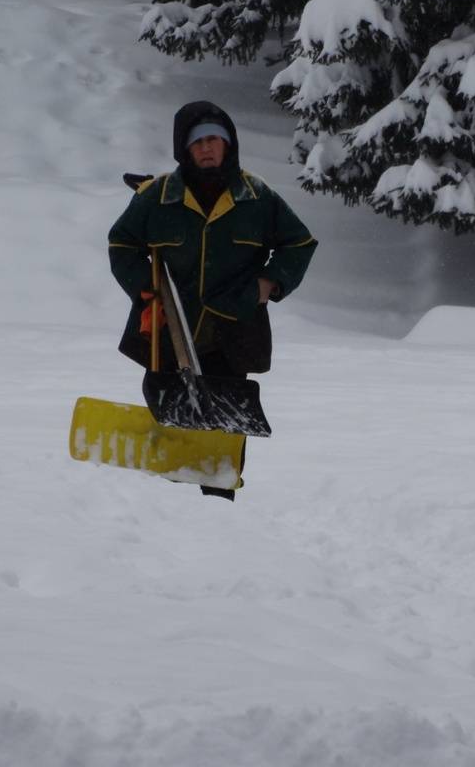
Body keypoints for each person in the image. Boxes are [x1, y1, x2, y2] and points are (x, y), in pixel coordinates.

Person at [108, 100, 318, 497]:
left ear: (229, 145)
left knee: (222, 440)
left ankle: (219, 513)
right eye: (198, 141)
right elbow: (121, 244)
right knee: (170, 425)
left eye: (214, 140)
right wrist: (148, 294)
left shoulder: (256, 197)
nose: (207, 148)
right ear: (184, 149)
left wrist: (269, 283)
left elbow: (300, 243)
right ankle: (168, 501)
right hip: (169, 334)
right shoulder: (158, 197)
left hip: (233, 335)